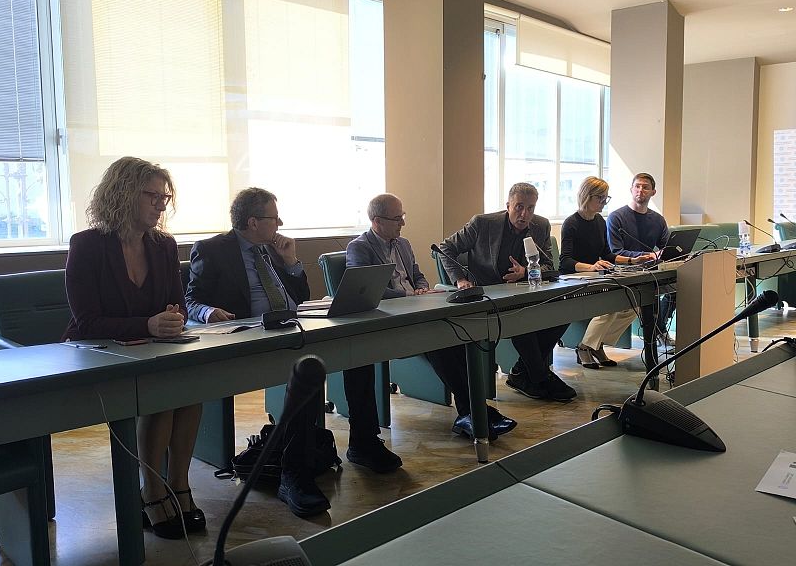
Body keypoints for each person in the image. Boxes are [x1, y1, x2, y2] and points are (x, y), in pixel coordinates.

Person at [186, 188, 401, 519]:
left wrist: (290, 262)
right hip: (249, 336)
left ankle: (364, 442)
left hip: (290, 325)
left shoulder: (271, 249)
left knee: (356, 351)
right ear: (253, 222)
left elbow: (299, 297)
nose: (280, 224)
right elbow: (191, 300)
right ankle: (293, 475)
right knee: (304, 370)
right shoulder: (212, 249)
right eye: (274, 218)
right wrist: (208, 311)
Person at [64, 156, 204, 539]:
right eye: (151, 196)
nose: (161, 205)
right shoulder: (87, 245)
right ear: (123, 194)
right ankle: (152, 492)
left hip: (150, 349)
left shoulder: (164, 245)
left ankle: (179, 485)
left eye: (164, 197)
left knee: (191, 390)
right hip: (95, 355)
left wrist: (173, 318)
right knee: (162, 392)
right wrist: (148, 324)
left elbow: (178, 305)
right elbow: (86, 322)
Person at [346, 193, 517, 441]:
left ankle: (473, 412)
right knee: (440, 343)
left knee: (455, 337)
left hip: (417, 312)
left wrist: (422, 289)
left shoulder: (403, 244)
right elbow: (369, 290)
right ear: (377, 221)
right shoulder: (359, 247)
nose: (403, 223)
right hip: (389, 322)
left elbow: (417, 275)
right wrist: (408, 295)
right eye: (397, 218)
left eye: (403, 216)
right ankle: (477, 412)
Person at [439, 182, 575, 402]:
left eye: (530, 208)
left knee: (563, 311)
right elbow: (445, 248)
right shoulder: (482, 223)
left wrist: (525, 271)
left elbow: (549, 266)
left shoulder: (540, 226)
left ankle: (523, 371)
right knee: (521, 317)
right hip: (489, 296)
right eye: (519, 207)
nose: (524, 214)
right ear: (508, 205)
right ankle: (539, 377)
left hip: (525, 293)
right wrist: (460, 279)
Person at [559, 176, 641, 369]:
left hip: (594, 278)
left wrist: (632, 260)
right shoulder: (571, 223)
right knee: (609, 304)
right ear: (587, 196)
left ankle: (595, 345)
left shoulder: (599, 222)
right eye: (600, 198)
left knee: (633, 306)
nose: (604, 202)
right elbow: (566, 261)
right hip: (573, 280)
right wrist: (591, 267)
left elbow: (607, 254)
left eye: (606, 198)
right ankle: (585, 347)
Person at [606, 172, 674, 347]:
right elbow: (615, 252)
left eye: (645, 187)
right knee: (651, 289)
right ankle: (659, 332)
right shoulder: (616, 217)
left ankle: (660, 328)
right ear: (631, 189)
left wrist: (662, 254)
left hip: (650, 269)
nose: (640, 190)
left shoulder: (657, 219)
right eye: (637, 186)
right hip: (624, 270)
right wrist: (646, 256)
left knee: (679, 287)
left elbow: (667, 247)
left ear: (653, 192)